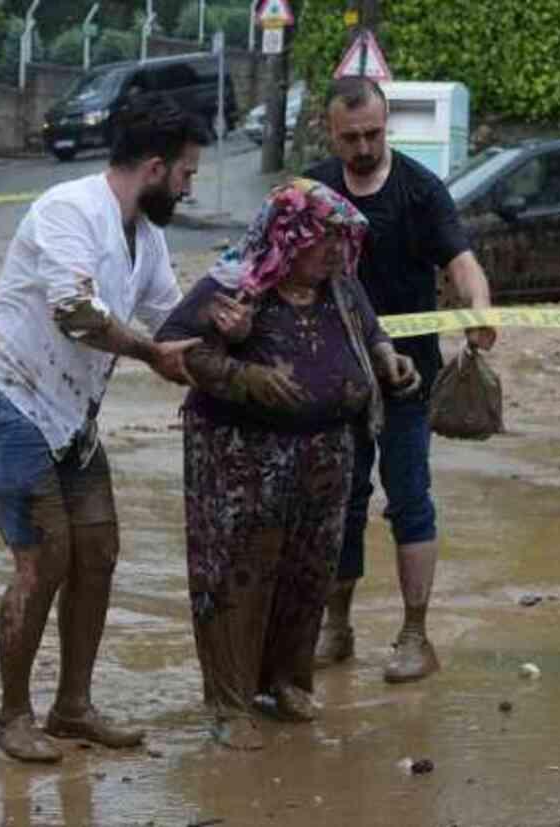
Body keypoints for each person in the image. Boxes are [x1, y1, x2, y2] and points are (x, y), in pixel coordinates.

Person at [0, 94, 211, 763]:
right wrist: (152, 354)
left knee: (98, 550)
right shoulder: (68, 210)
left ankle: (73, 706)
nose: (189, 185)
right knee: (47, 557)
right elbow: (75, 313)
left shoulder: (145, 239)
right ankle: (11, 716)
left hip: (69, 417)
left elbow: (175, 314)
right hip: (0, 398)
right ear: (154, 168)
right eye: (186, 173)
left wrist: (230, 320)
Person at [155, 178, 421, 749]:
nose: (334, 250)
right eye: (322, 239)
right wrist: (244, 377)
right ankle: (230, 704)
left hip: (325, 456)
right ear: (289, 235)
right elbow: (173, 348)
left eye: (340, 240)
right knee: (240, 577)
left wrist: (388, 360)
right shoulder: (238, 283)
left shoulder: (341, 286)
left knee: (307, 574)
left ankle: (287, 681)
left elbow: (369, 333)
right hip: (241, 463)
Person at [305, 76, 497, 683]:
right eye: (350, 137)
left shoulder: (420, 189)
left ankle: (415, 635)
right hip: (335, 378)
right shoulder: (313, 190)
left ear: (387, 126)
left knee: (410, 501)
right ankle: (336, 628)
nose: (363, 147)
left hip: (410, 379)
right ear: (330, 133)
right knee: (342, 502)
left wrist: (479, 309)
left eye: (374, 134)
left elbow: (461, 260)